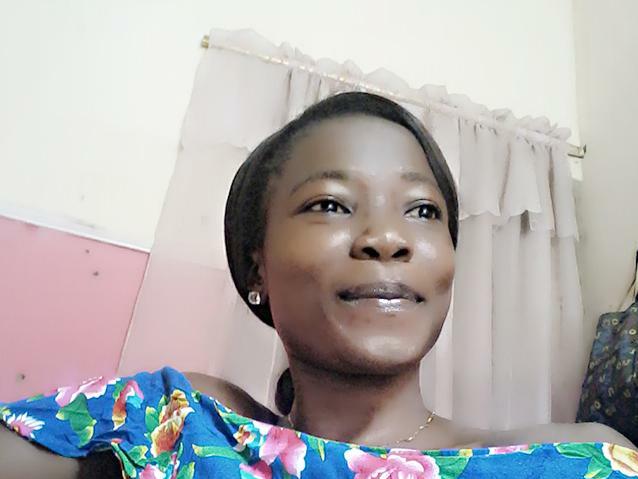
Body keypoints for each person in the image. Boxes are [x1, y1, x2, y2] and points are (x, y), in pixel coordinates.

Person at [1, 92, 636, 479]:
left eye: (423, 211)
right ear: (256, 267)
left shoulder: (577, 464)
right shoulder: (175, 423)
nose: (387, 238)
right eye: (330, 205)